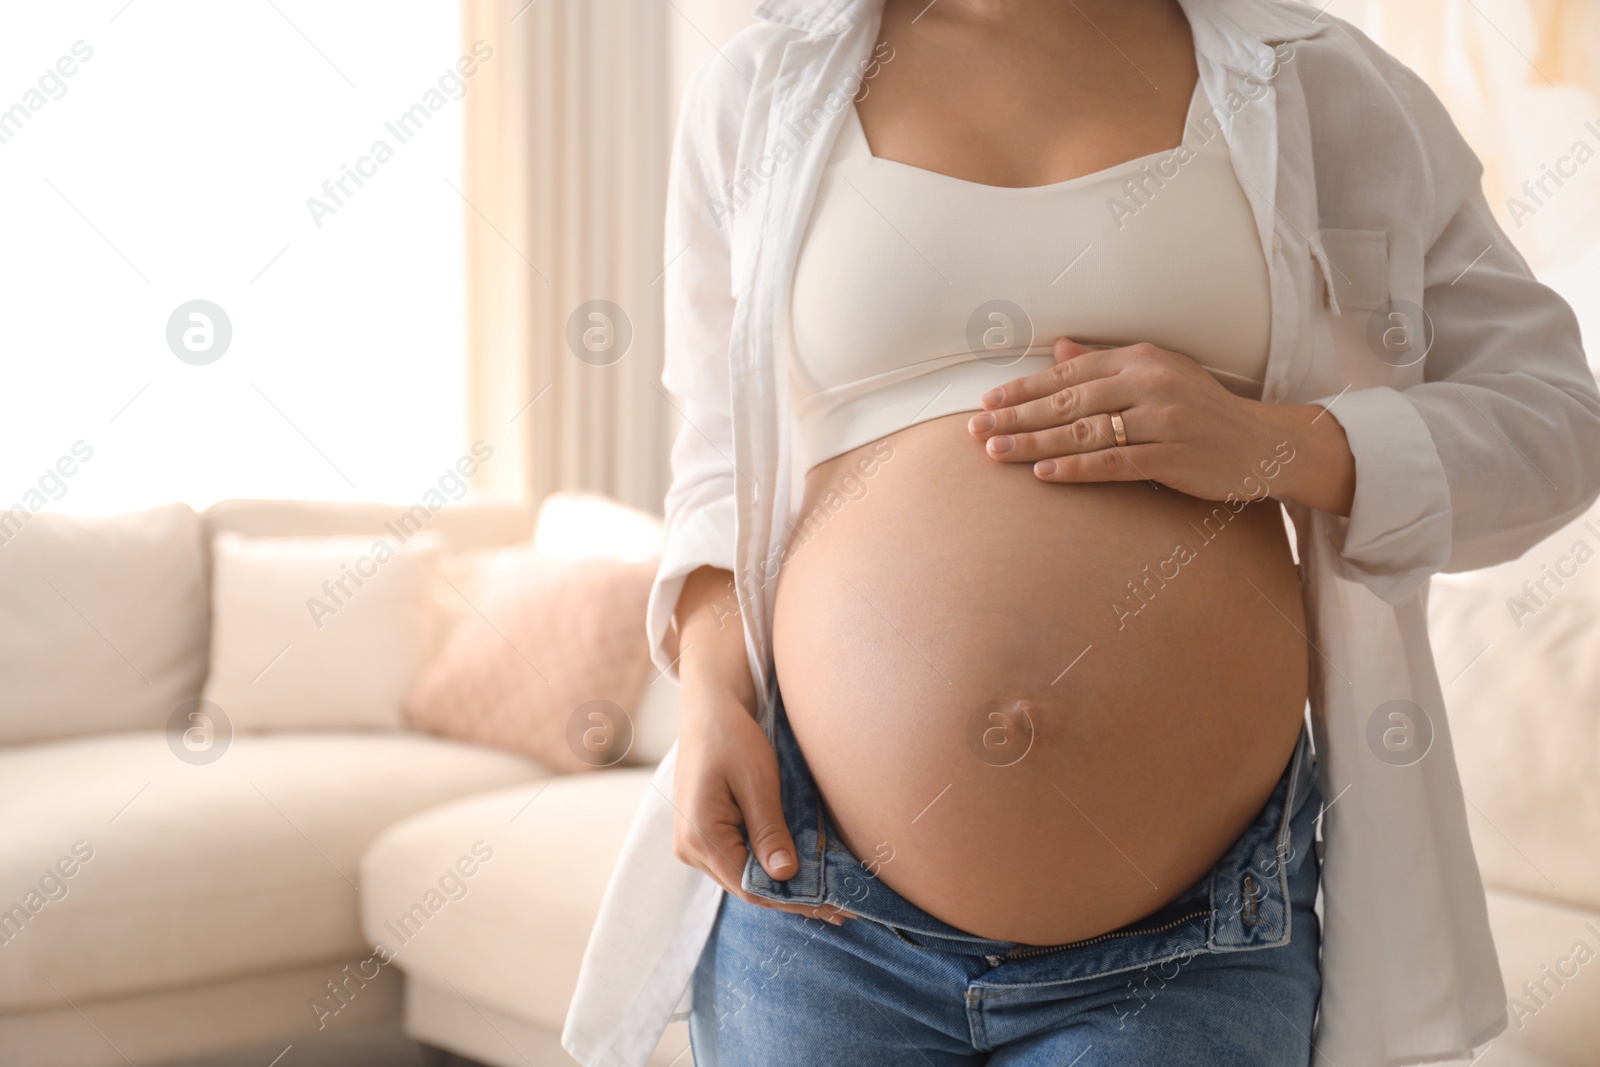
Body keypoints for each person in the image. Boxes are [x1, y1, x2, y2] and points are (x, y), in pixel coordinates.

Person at [561, 1, 1600, 1065]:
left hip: (1193, 942)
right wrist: (706, 687)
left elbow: (1559, 417)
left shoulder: (1322, 83)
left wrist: (1283, 443)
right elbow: (719, 454)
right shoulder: (763, 85)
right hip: (820, 906)